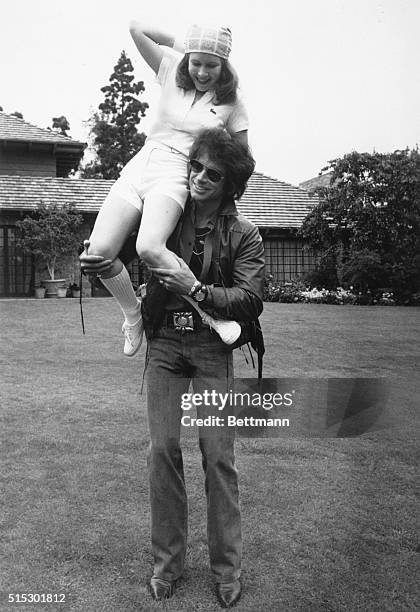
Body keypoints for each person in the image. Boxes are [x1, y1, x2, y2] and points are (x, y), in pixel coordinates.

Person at [142, 128, 264, 607]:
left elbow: (250, 299)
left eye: (213, 173)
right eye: (195, 167)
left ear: (230, 183)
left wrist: (197, 291)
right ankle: (166, 566)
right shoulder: (166, 215)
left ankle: (227, 571)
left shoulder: (245, 233)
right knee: (162, 451)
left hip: (214, 349)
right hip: (165, 346)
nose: (200, 177)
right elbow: (136, 247)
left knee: (217, 457)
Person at [80, 20, 249, 357]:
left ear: (225, 65)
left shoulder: (233, 105)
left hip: (176, 172)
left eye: (211, 64)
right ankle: (133, 318)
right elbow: (136, 29)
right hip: (143, 160)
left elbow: (241, 159)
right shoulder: (173, 67)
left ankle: (211, 315)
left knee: (149, 247)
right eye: (196, 62)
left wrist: (221, 200)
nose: (201, 72)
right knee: (98, 252)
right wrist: (190, 46)